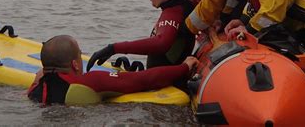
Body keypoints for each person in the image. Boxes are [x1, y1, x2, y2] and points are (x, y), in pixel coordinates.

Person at [86, 0, 195, 71]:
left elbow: (161, 43)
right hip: (160, 79)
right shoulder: (185, 5)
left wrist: (113, 48)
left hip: (164, 85)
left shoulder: (173, 12)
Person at [28, 35, 198, 105]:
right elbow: (144, 79)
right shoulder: (89, 81)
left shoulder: (34, 89)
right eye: (80, 55)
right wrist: (184, 67)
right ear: (75, 64)